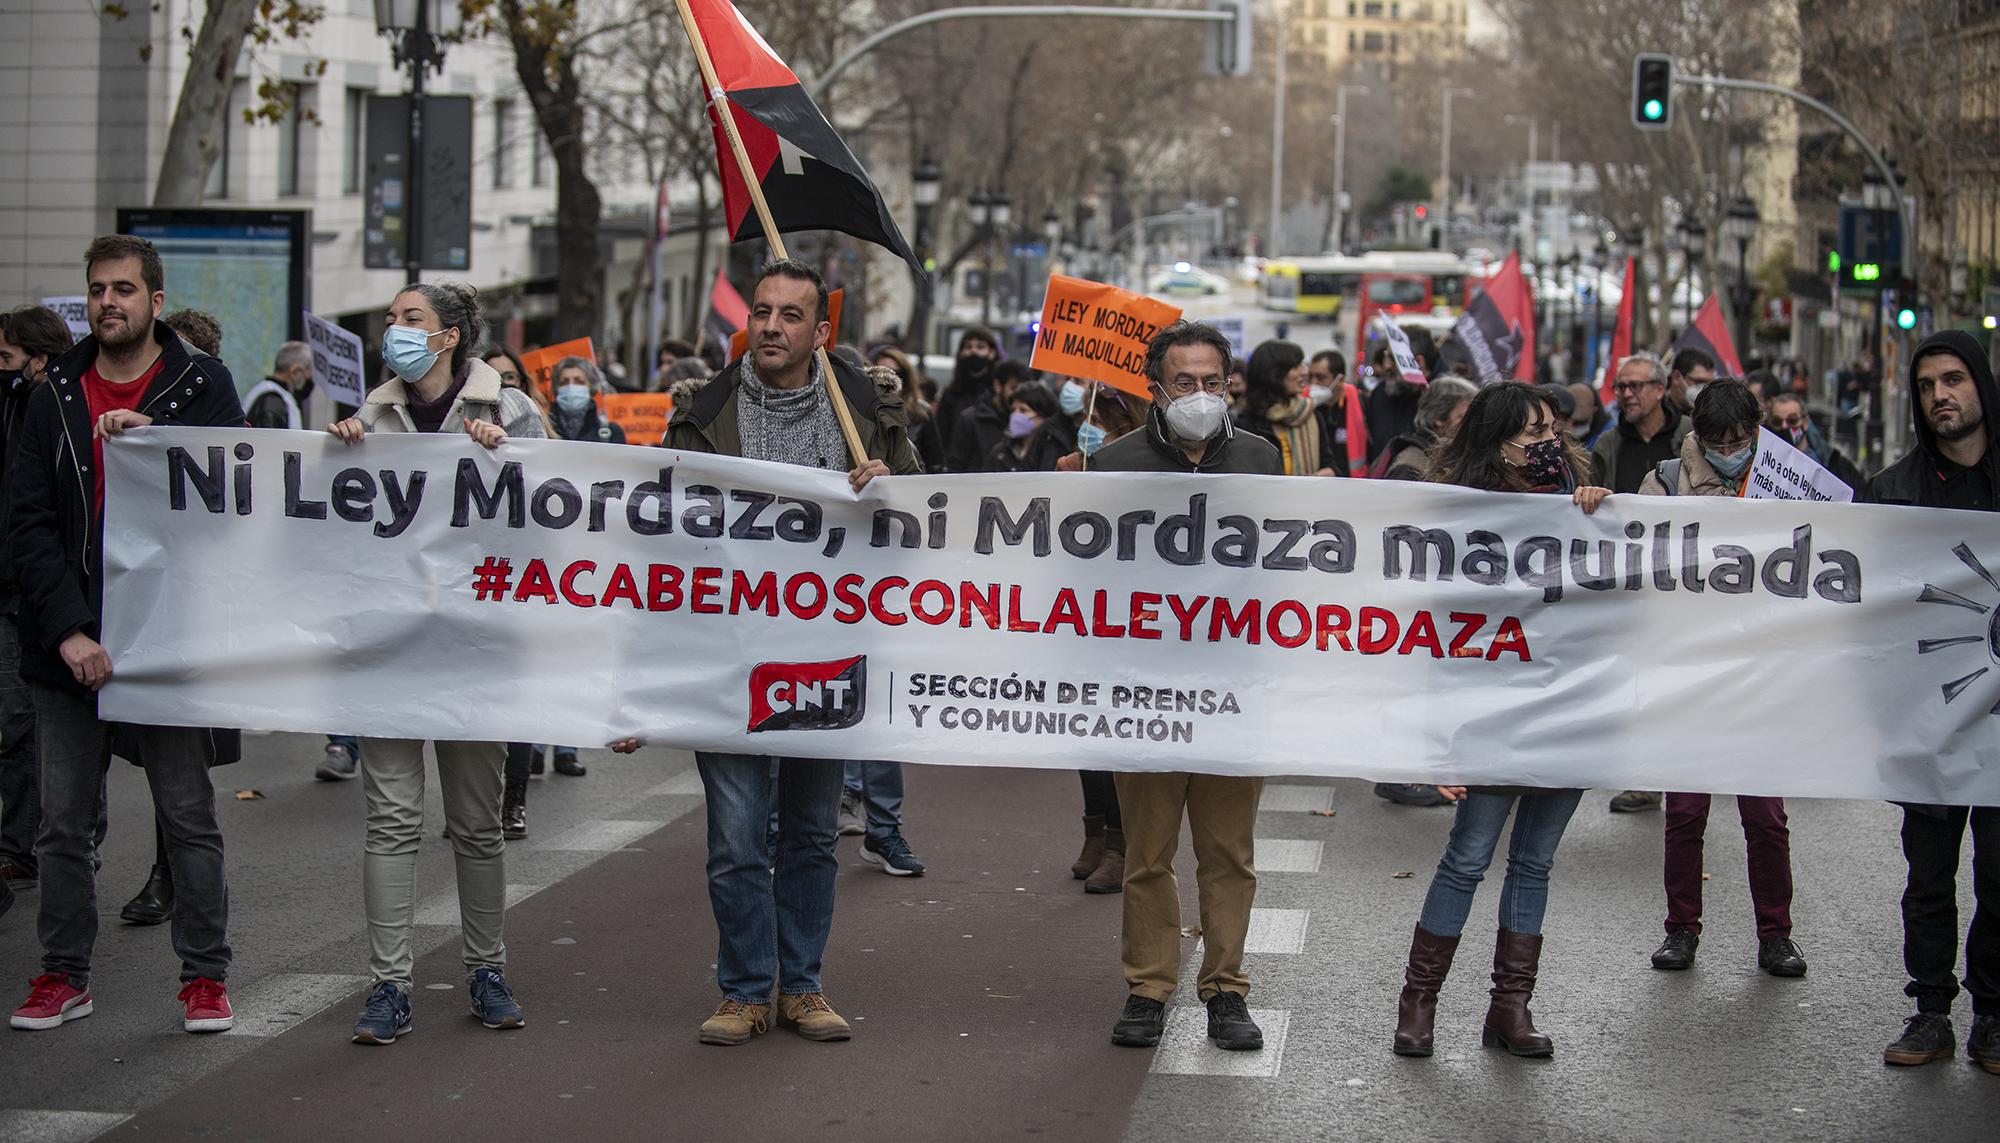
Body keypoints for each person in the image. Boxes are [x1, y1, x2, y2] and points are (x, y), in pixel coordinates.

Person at [649, 257, 919, 1047]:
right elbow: (659, 525)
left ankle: (801, 985)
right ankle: (743, 990)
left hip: (825, 656)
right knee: (736, 838)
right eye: (761, 311)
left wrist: (886, 483)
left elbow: (918, 520)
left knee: (806, 832)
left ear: (821, 332)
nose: (770, 326)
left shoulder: (862, 409)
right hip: (726, 657)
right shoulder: (704, 408)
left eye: (790, 315)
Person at [7, 235, 245, 1034]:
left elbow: (238, 496)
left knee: (186, 814)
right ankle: (63, 974)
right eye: (98, 290)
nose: (109, 303)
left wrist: (167, 449)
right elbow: (29, 523)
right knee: (63, 825)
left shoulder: (199, 383)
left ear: (154, 299)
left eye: (124, 290)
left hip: (167, 642)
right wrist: (70, 629)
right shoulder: (56, 394)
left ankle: (205, 978)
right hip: (68, 646)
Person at [325, 279, 543, 1044]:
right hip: (389, 647)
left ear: (450, 335)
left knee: (477, 824)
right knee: (389, 819)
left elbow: (555, 509)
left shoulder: (508, 410)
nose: (394, 330)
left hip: (475, 650)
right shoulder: (369, 417)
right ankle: (388, 983)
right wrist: (338, 452)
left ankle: (486, 968)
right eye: (389, 319)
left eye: (409, 319)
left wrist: (509, 456)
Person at [1390, 382, 1609, 1060]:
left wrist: (1600, 513)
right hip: (1491, 710)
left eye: (1551, 429)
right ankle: (1419, 1003)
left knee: (1534, 862)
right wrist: (1437, 738)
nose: (1545, 443)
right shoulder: (1463, 518)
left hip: (1568, 707)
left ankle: (1510, 1007)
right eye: (1528, 434)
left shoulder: (1584, 500)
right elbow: (1439, 631)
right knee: (1468, 856)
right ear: (1495, 444)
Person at [1098, 320, 1278, 1055]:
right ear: (1155, 387)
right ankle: (1148, 986)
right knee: (1146, 853)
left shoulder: (1264, 460)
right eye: (1184, 383)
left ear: (1229, 383)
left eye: (1212, 382)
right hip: (1146, 692)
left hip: (1236, 691)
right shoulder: (1112, 466)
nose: (1200, 396)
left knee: (1228, 854)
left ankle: (1226, 991)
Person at [1859, 329, 2000, 1074]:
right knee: (1929, 873)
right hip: (1929, 721)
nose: (1940, 395)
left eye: (1953, 379)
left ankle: (1994, 1012)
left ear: (1980, 383)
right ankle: (1931, 1009)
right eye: (1926, 385)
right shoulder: (1892, 492)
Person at [1636, 379, 1808, 979]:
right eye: (1717, 442)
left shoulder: (1788, 483)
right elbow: (1634, 564)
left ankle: (1776, 936)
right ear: (1698, 437)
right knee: (1684, 812)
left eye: (1740, 440)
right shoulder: (1662, 483)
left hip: (1759, 674)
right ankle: (1681, 930)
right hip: (1691, 673)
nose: (1730, 450)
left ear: (1757, 433)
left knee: (1765, 817)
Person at [1592, 354, 1690, 815]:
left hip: (1690, 580)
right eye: (1620, 387)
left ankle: (1688, 771)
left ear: (1660, 388)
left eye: (1635, 386)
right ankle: (1645, 777)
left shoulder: (1690, 436)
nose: (1626, 395)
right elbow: (1593, 501)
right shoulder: (1609, 445)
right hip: (1635, 581)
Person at [0, 306, 75, 894]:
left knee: (25, 724)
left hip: (36, 594)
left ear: (36, 360)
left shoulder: (57, 411)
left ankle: (26, 849)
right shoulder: (18, 403)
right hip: (22, 588)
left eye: (5, 360)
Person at [1235, 340, 1337, 476]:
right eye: (1296, 367)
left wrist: (1320, 476)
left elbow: (1330, 465)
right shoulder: (1246, 425)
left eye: (1303, 365)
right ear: (1273, 373)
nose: (1304, 372)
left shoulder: (1311, 414)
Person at [931, 327, 999, 469]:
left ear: (992, 353)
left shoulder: (998, 394)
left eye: (980, 347)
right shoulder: (951, 395)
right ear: (961, 353)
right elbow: (941, 437)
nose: (973, 351)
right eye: (968, 347)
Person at [1767, 392, 1864, 491]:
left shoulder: (1836, 465)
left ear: (1805, 422)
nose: (1784, 426)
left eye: (1792, 420)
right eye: (1777, 422)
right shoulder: (1765, 463)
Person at [949, 357, 1028, 474]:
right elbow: (955, 467)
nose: (1019, 396)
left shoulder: (1029, 421)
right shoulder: (970, 420)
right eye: (1013, 388)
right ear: (998, 386)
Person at [548, 356, 626, 446]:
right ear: (556, 389)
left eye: (579, 381)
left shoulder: (611, 433)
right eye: (564, 382)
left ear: (591, 388)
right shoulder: (543, 428)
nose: (571, 387)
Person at [985, 380, 1059, 473]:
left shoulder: (1053, 452)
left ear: (1043, 416)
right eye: (1013, 410)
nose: (1015, 415)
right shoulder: (1000, 453)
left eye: (1023, 410)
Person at [244, 341, 313, 430]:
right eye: (307, 376)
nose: (308, 381)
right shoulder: (272, 401)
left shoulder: (265, 391)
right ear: (295, 371)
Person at [1308, 349, 1351, 476]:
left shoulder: (1358, 406)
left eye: (1320, 377)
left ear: (1340, 379)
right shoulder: (1306, 409)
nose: (1313, 383)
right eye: (1311, 377)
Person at [1666, 346, 1716, 417]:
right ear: (1676, 377)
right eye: (1699, 382)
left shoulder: (1710, 417)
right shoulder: (1655, 410)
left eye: (1710, 383)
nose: (1704, 388)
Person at [1565, 382, 1609, 447]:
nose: (1576, 428)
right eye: (1573, 422)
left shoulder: (1608, 434)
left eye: (1581, 423)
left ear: (1594, 410)